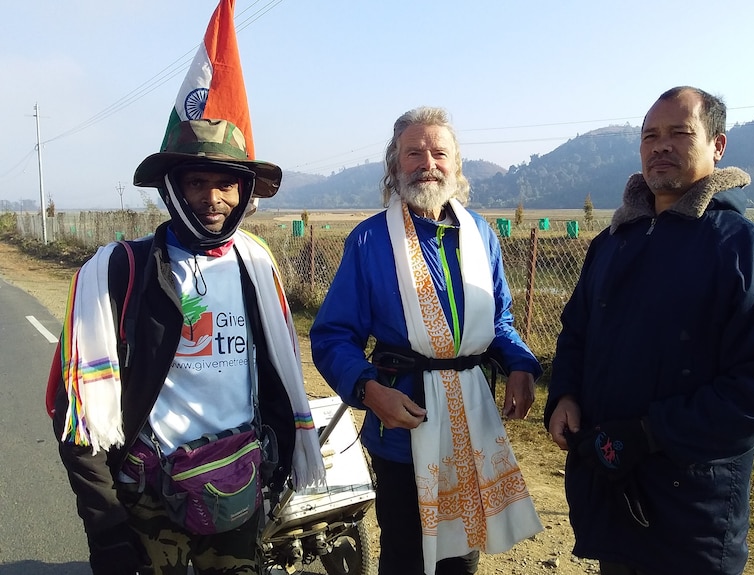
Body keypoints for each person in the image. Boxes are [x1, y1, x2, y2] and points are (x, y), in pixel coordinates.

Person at [48, 118, 325, 575]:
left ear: (244, 191)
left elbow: (277, 379)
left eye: (226, 184)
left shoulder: (255, 266)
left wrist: (273, 473)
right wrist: (107, 528)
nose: (212, 198)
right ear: (172, 189)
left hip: (236, 486)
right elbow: (77, 421)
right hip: (148, 499)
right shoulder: (116, 274)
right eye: (197, 182)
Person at [544, 86, 754, 575]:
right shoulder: (613, 243)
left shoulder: (744, 251)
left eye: (679, 133)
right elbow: (575, 332)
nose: (660, 146)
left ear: (717, 146)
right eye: (649, 136)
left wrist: (649, 433)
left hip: (692, 511)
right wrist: (565, 396)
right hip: (608, 490)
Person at [310, 106, 544, 575]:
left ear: (456, 166)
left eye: (439, 153)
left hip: (471, 422)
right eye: (413, 153)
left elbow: (499, 320)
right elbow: (333, 335)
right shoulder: (369, 241)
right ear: (395, 167)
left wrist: (521, 365)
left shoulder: (480, 235)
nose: (428, 163)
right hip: (403, 426)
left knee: (462, 553)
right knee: (406, 554)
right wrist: (370, 391)